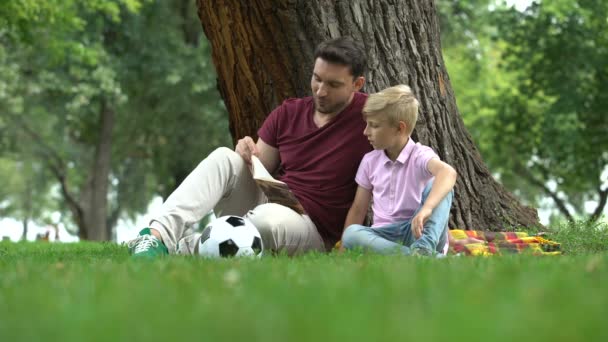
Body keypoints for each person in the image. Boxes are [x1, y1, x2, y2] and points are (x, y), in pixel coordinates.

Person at [127, 37, 372, 257]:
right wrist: (246, 153)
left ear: (357, 83)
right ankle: (155, 237)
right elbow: (258, 169)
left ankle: (186, 248)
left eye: (333, 85)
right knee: (225, 158)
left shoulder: (372, 118)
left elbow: (406, 158)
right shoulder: (289, 112)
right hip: (271, 203)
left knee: (267, 222)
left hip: (313, 229)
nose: (321, 91)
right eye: (316, 79)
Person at [341, 84, 459, 256]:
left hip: (420, 232)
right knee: (351, 234)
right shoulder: (369, 161)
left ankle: (423, 249)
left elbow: (448, 173)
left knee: (440, 183)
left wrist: (427, 209)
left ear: (399, 128)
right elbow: (358, 208)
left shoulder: (420, 155)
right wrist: (344, 251)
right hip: (384, 237)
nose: (366, 132)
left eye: (374, 125)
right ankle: (422, 258)